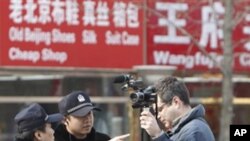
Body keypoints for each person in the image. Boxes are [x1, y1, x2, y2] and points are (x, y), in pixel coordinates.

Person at [140, 76, 215, 141]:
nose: (158, 116)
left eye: (160, 109)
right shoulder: (185, 129)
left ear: (176, 102)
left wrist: (158, 135)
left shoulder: (194, 130)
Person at [54, 90, 129, 141]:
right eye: (81, 115)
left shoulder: (102, 139)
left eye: (89, 113)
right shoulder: (53, 139)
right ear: (65, 119)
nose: (88, 119)